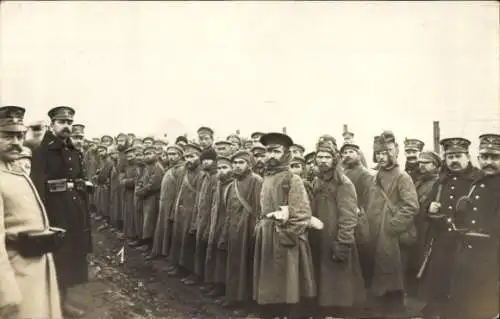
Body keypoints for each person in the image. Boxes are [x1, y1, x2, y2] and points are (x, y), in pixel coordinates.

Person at [0, 105, 62, 319]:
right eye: (7, 136)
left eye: (19, 135)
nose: (17, 142)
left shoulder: (12, 169)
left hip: (34, 269)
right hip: (17, 277)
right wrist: (6, 291)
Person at [30, 106, 92, 317]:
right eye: (62, 122)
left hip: (73, 211)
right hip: (54, 211)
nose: (67, 127)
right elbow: (38, 185)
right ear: (52, 124)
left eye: (69, 123)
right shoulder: (43, 151)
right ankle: (53, 304)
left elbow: (79, 178)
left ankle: (63, 302)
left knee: (71, 257)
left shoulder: (72, 150)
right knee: (57, 257)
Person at [253, 132, 316, 319]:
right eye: (268, 151)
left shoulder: (292, 179)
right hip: (267, 236)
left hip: (286, 238)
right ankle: (273, 312)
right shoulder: (266, 177)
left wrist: (286, 234)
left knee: (289, 282)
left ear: (286, 153)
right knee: (271, 280)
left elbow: (303, 214)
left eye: (276, 151)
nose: (271, 155)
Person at [419, 137, 480, 319]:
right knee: (439, 285)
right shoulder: (441, 181)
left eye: (458, 156)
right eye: (450, 156)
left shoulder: (478, 179)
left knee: (463, 288)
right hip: (441, 242)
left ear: (468, 157)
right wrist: (428, 208)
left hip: (467, 243)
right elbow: (424, 209)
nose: (454, 160)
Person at [445, 134, 500, 319]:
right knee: (462, 303)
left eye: (494, 157)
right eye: (485, 157)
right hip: (468, 253)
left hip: (492, 256)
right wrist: (459, 216)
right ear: (478, 159)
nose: (489, 162)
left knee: (485, 307)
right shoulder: (478, 182)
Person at [364, 131, 419, 318]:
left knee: (393, 278)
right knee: (377, 275)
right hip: (374, 233)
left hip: (391, 237)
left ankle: (395, 312)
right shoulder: (374, 176)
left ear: (393, 153)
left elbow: (411, 206)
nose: (381, 157)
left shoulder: (402, 177)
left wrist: (392, 227)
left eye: (385, 152)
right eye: (378, 153)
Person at [310, 143, 366, 318]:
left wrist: (343, 242)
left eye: (327, 157)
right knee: (324, 281)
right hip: (320, 238)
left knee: (341, 283)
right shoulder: (317, 180)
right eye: (320, 157)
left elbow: (349, 215)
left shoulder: (343, 183)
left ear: (334, 160)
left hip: (336, 238)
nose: (323, 161)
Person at [218, 150, 263, 316]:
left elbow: (259, 209)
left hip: (248, 230)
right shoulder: (232, 184)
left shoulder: (256, 181)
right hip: (234, 230)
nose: (237, 166)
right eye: (235, 163)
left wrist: (255, 230)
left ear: (249, 164)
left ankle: (247, 303)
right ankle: (233, 297)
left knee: (248, 267)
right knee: (234, 265)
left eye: (241, 162)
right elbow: (228, 210)